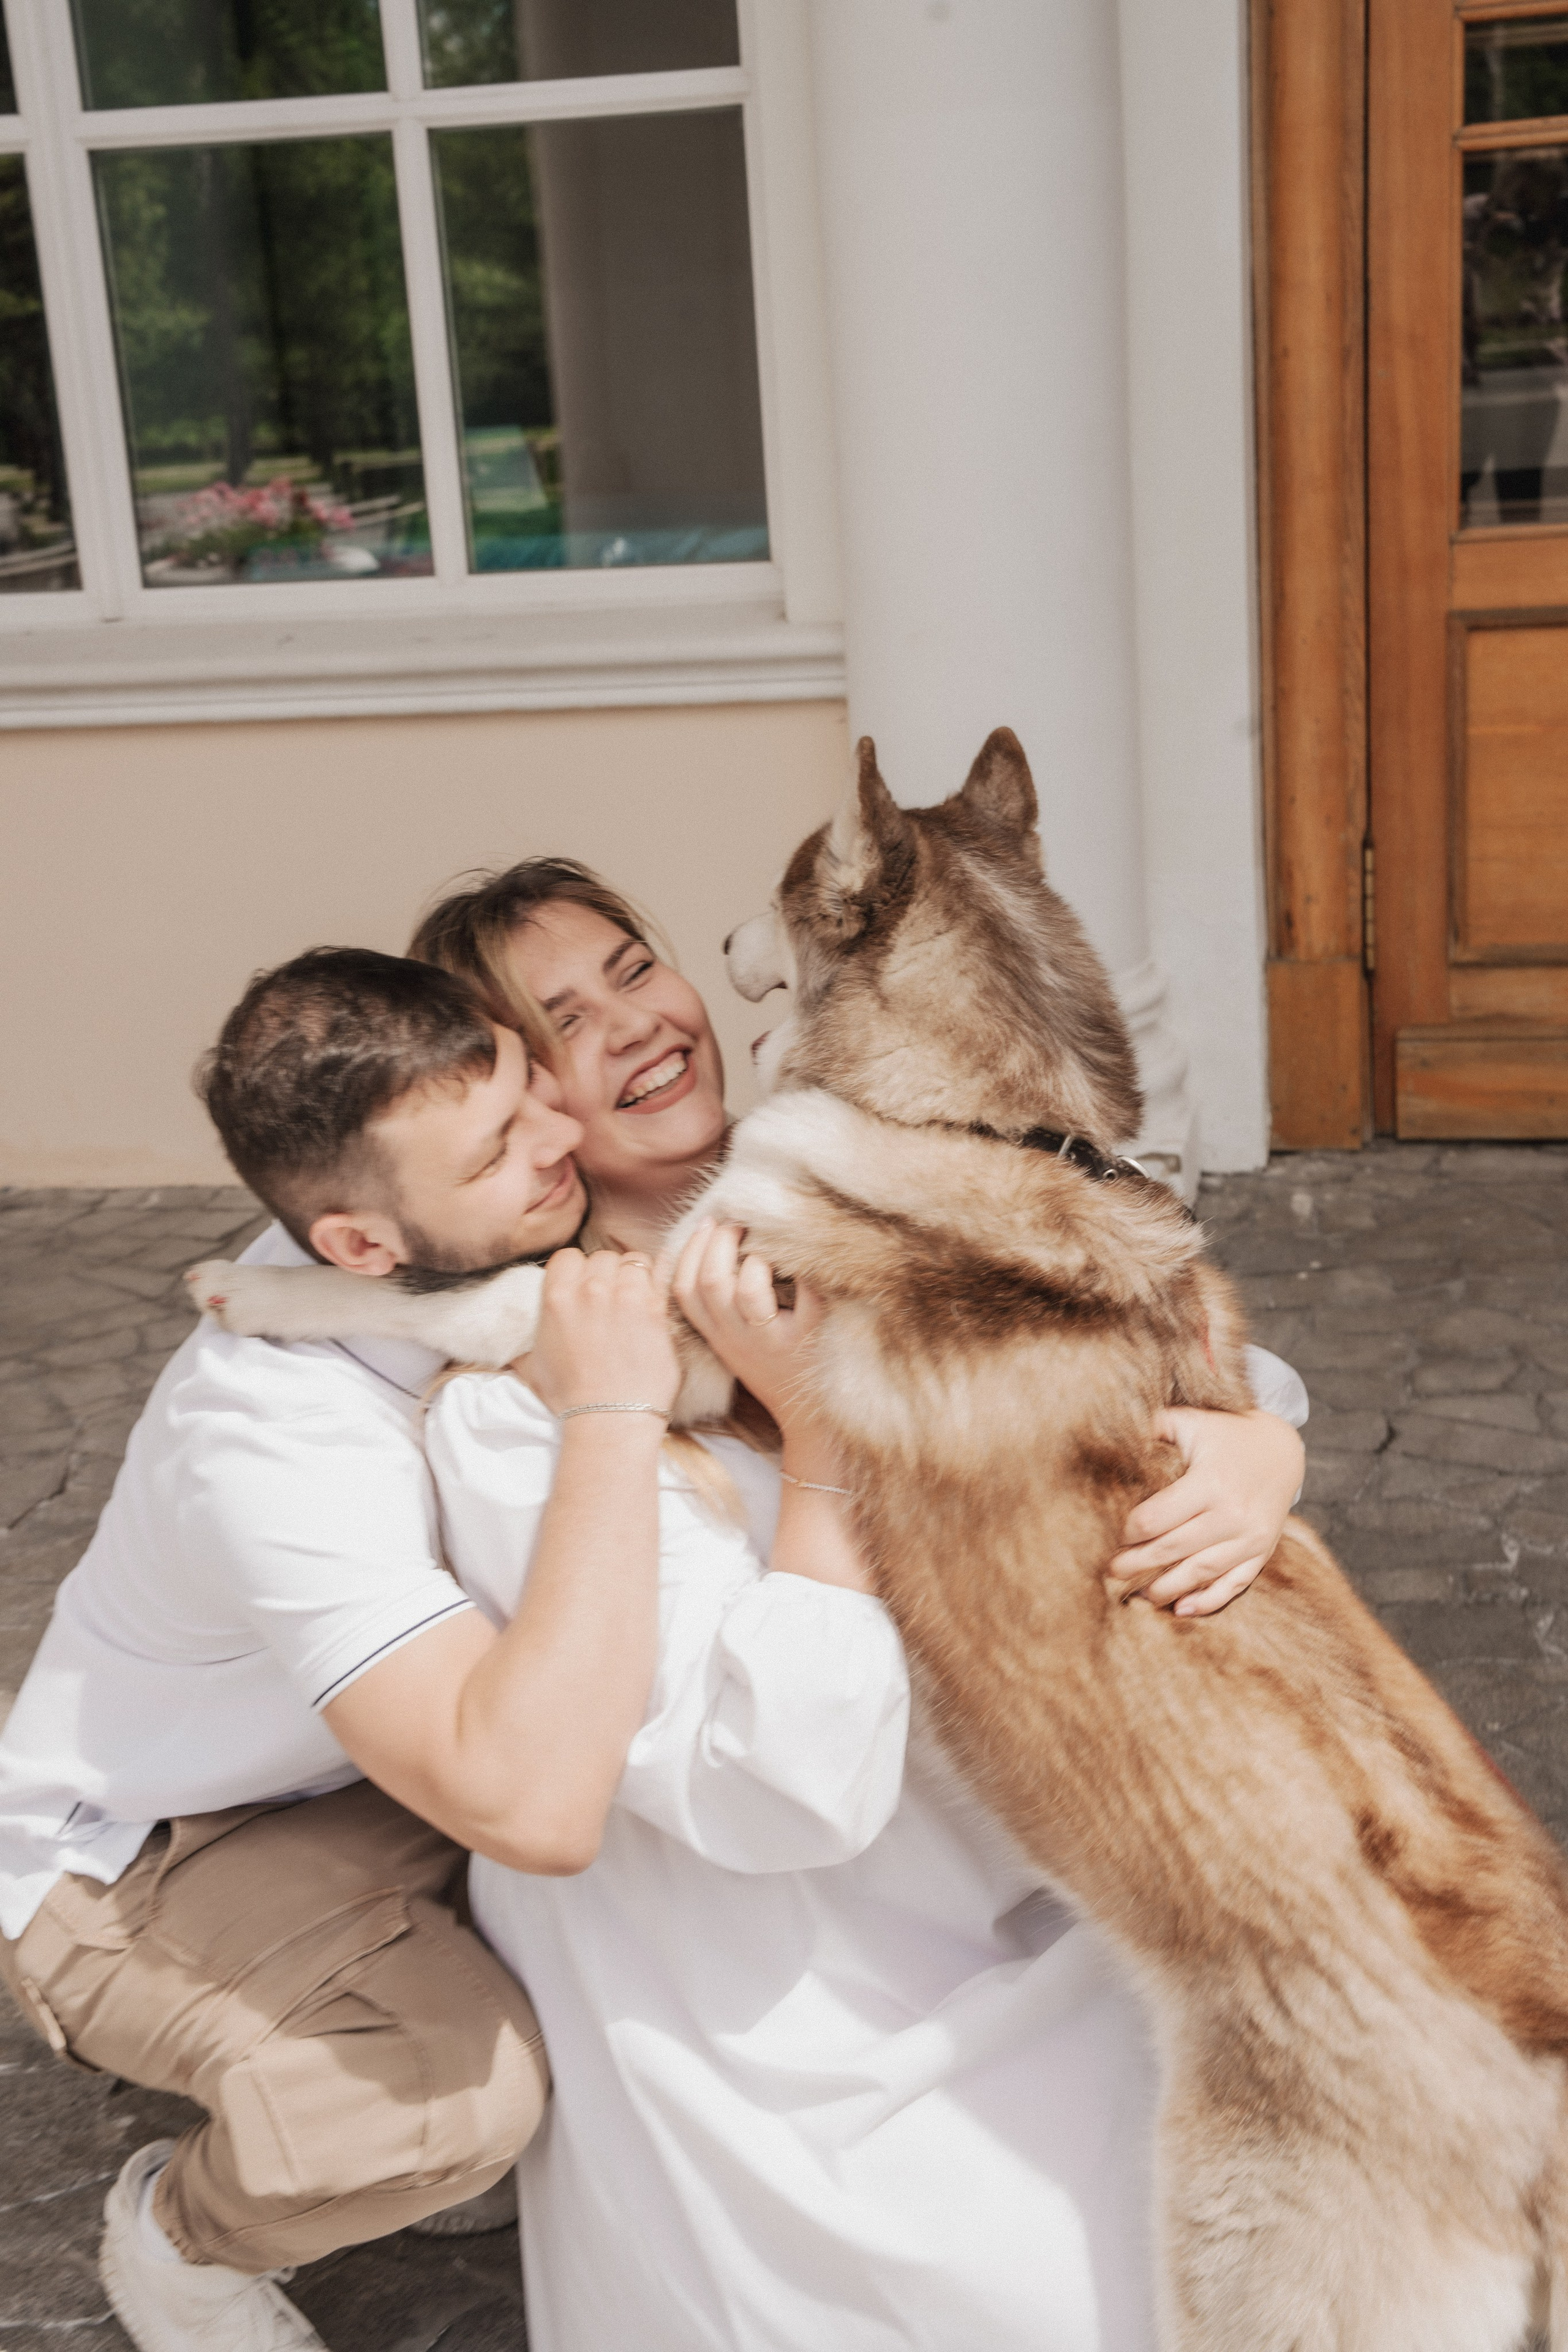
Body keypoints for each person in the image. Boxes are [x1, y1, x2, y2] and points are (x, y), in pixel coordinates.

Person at [407, 859, 1310, 2348]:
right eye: (566, 1022)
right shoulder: (530, 1412)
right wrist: (815, 1436)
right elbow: (782, 1794)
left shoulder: (852, 1189)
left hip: (1020, 1889)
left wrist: (1257, 1442)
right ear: (524, 1112)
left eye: (637, 968)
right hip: (778, 1996)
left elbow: (1114, 1326)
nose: (639, 1025)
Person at [0, 948, 690, 2352]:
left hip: (348, 1767)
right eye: (502, 1148)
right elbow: (533, 1810)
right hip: (142, 1860)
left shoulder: (436, 1229)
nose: (563, 1137)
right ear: (358, 1249)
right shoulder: (271, 1449)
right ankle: (183, 2238)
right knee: (451, 2096)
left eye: (525, 1091)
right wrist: (615, 1417)